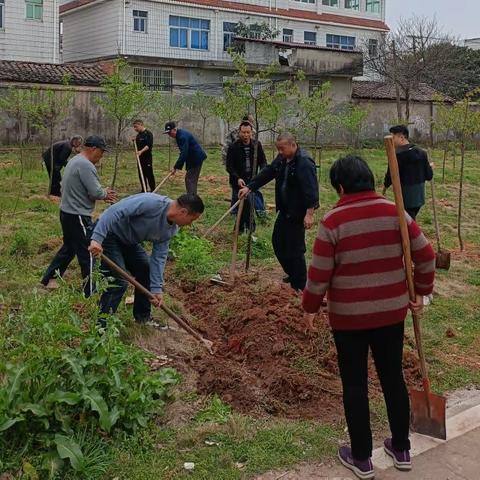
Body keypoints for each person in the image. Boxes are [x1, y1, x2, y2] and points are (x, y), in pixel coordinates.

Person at [302, 156, 435, 480]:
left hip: (348, 317)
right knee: (392, 378)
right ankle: (401, 448)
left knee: (355, 383)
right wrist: (420, 291)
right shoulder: (395, 212)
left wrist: (309, 307)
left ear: (341, 186)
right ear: (372, 181)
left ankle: (361, 457)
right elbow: (426, 255)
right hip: (391, 313)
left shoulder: (333, 221)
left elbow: (319, 273)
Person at [88, 193, 204, 327]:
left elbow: (159, 257)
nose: (190, 224)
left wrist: (156, 289)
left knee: (146, 270)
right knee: (119, 281)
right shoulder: (151, 203)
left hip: (128, 242)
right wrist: (97, 238)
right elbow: (115, 211)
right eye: (191, 220)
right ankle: (102, 326)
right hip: (109, 234)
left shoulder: (171, 229)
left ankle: (142, 318)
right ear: (183, 212)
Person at [239, 132, 319, 291]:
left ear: (293, 145)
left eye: (282, 148)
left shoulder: (304, 162)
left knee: (295, 249)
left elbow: (311, 190)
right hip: (285, 210)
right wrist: (250, 187)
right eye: (278, 149)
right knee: (278, 242)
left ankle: (301, 285)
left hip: (297, 212)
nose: (280, 152)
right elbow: (268, 172)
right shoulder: (283, 159)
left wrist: (309, 213)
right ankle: (292, 273)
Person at [41, 136, 116, 294]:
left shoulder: (75, 160)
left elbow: (85, 189)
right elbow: (95, 191)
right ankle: (90, 291)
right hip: (78, 215)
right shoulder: (85, 165)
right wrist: (105, 193)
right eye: (101, 152)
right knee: (88, 252)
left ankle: (49, 279)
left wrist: (99, 193)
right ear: (93, 148)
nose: (101, 156)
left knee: (69, 248)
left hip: (67, 212)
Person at [383, 125, 433, 220]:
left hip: (405, 197)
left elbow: (390, 175)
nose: (391, 140)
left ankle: (413, 234)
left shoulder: (396, 156)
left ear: (402, 137)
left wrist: (385, 187)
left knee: (408, 223)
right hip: (419, 197)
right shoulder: (422, 153)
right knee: (410, 219)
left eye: (393, 137)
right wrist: (429, 167)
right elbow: (429, 176)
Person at [226, 121, 267, 233]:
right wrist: (237, 178)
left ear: (251, 132)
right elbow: (229, 167)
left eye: (248, 132)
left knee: (248, 204)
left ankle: (243, 229)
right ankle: (246, 227)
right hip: (238, 181)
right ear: (239, 132)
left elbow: (263, 161)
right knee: (244, 204)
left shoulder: (256, 145)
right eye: (243, 132)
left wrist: (262, 173)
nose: (245, 135)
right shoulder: (233, 147)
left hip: (252, 180)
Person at [164, 122, 207, 195]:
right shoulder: (179, 134)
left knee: (190, 179)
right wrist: (176, 166)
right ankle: (192, 197)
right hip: (192, 158)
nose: (169, 135)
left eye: (170, 132)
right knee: (191, 179)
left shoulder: (182, 137)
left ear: (174, 129)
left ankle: (191, 199)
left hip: (196, 158)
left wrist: (175, 167)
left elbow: (184, 153)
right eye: (168, 133)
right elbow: (183, 152)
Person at [133, 120, 155, 192]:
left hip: (147, 158)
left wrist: (141, 151)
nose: (135, 129)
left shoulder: (148, 134)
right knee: (141, 173)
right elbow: (136, 147)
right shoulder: (138, 136)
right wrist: (133, 141)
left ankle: (152, 190)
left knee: (149, 173)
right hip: (140, 158)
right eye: (134, 127)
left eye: (136, 127)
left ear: (141, 125)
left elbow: (148, 146)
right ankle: (144, 189)